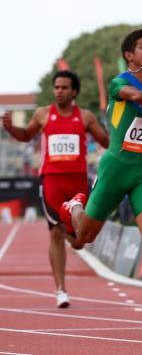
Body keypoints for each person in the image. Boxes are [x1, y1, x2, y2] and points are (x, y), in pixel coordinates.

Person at [59, 28, 142, 318]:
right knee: (84, 237)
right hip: (116, 167)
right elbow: (137, 97)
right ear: (128, 54)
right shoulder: (119, 82)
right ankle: (75, 207)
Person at [2, 70, 109, 308]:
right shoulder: (42, 114)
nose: (59, 91)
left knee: (79, 241)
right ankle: (61, 290)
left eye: (64, 87)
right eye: (56, 87)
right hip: (52, 181)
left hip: (78, 183)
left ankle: (74, 230)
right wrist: (11, 128)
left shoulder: (85, 117)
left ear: (74, 92)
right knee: (55, 233)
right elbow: (25, 136)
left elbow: (106, 142)